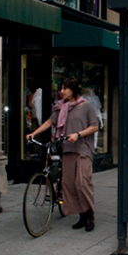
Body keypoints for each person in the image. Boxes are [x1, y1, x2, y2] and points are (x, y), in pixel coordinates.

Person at [26, 77, 99, 231]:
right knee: (68, 184)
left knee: (82, 182)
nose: (61, 91)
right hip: (67, 149)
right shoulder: (61, 107)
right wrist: (33, 133)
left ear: (73, 89)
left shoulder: (86, 106)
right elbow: (48, 122)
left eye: (65, 88)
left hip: (83, 148)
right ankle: (82, 215)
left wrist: (78, 135)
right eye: (61, 88)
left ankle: (90, 214)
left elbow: (94, 126)